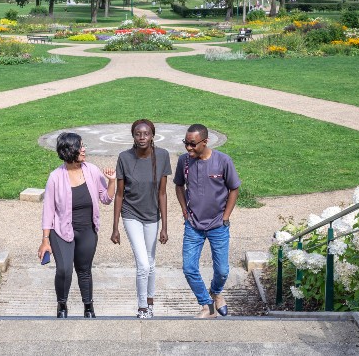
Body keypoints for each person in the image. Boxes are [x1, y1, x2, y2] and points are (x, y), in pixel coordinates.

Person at [38, 132, 116, 318]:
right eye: (80, 146)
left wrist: (112, 181)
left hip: (87, 230)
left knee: (84, 270)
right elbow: (48, 210)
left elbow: (106, 198)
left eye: (83, 145)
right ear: (69, 151)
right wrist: (45, 240)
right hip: (61, 231)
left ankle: (88, 307)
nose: (84, 149)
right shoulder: (55, 177)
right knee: (64, 269)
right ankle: (62, 304)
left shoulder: (92, 171)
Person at [173, 124, 240, 318]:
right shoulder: (184, 161)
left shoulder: (223, 161)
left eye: (192, 144)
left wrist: (226, 216)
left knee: (222, 270)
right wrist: (184, 210)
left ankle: (216, 293)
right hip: (193, 225)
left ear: (205, 141)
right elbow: (179, 185)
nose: (188, 148)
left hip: (218, 224)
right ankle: (207, 305)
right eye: (186, 143)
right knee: (188, 268)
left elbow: (234, 188)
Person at [111, 119, 171, 319]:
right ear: (133, 136)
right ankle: (142, 306)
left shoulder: (162, 156)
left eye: (146, 133)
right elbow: (119, 194)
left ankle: (151, 301)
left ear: (152, 135)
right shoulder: (124, 158)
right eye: (138, 134)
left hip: (152, 215)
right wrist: (115, 227)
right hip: (131, 214)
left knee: (151, 262)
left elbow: (162, 193)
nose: (142, 137)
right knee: (143, 264)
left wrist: (164, 226)